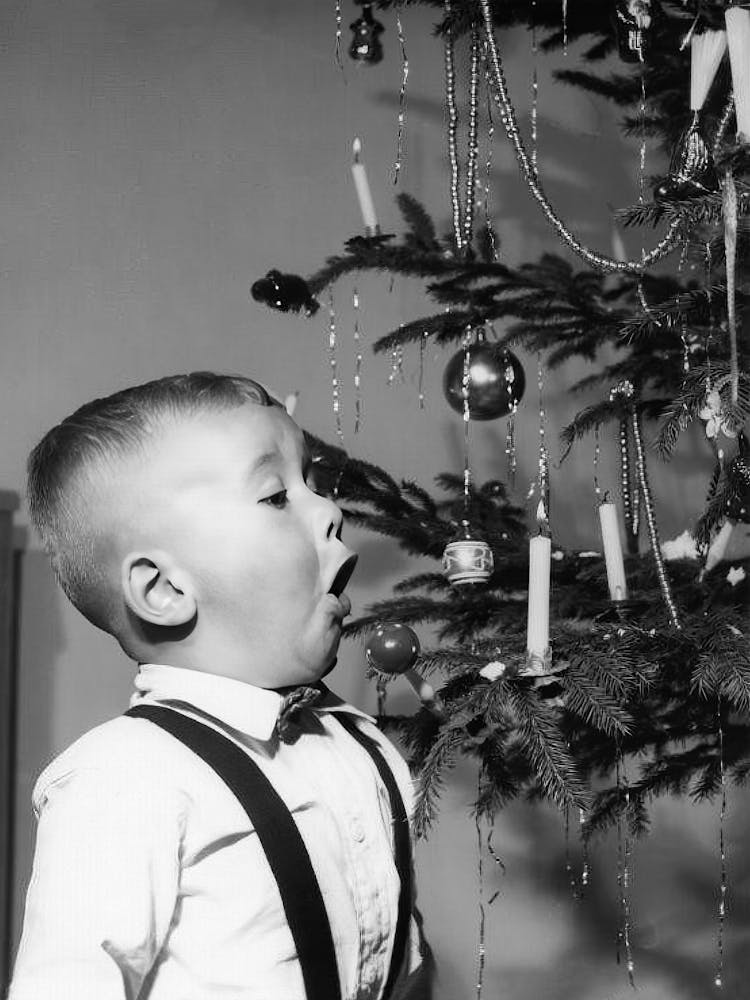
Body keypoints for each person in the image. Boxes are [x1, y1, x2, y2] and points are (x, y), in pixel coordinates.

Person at [9, 372, 429, 1000]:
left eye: (313, 484)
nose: (331, 511)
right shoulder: (125, 778)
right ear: (165, 590)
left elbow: (405, 961)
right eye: (277, 496)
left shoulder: (362, 745)